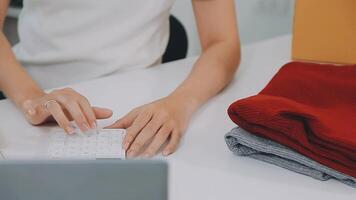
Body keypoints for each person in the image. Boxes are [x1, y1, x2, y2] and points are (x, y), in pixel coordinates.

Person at [0, 0, 241, 158]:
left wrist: (180, 103)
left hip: (146, 103)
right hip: (34, 98)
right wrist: (33, 99)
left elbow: (223, 43)